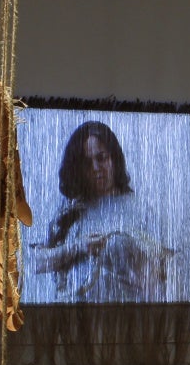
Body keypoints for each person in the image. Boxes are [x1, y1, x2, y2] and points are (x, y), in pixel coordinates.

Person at [31, 120, 173, 302]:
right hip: (71, 314)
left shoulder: (140, 210)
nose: (96, 168)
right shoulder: (69, 210)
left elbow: (162, 274)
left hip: (123, 315)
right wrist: (77, 247)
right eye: (87, 163)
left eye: (101, 158)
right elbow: (34, 263)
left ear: (114, 158)